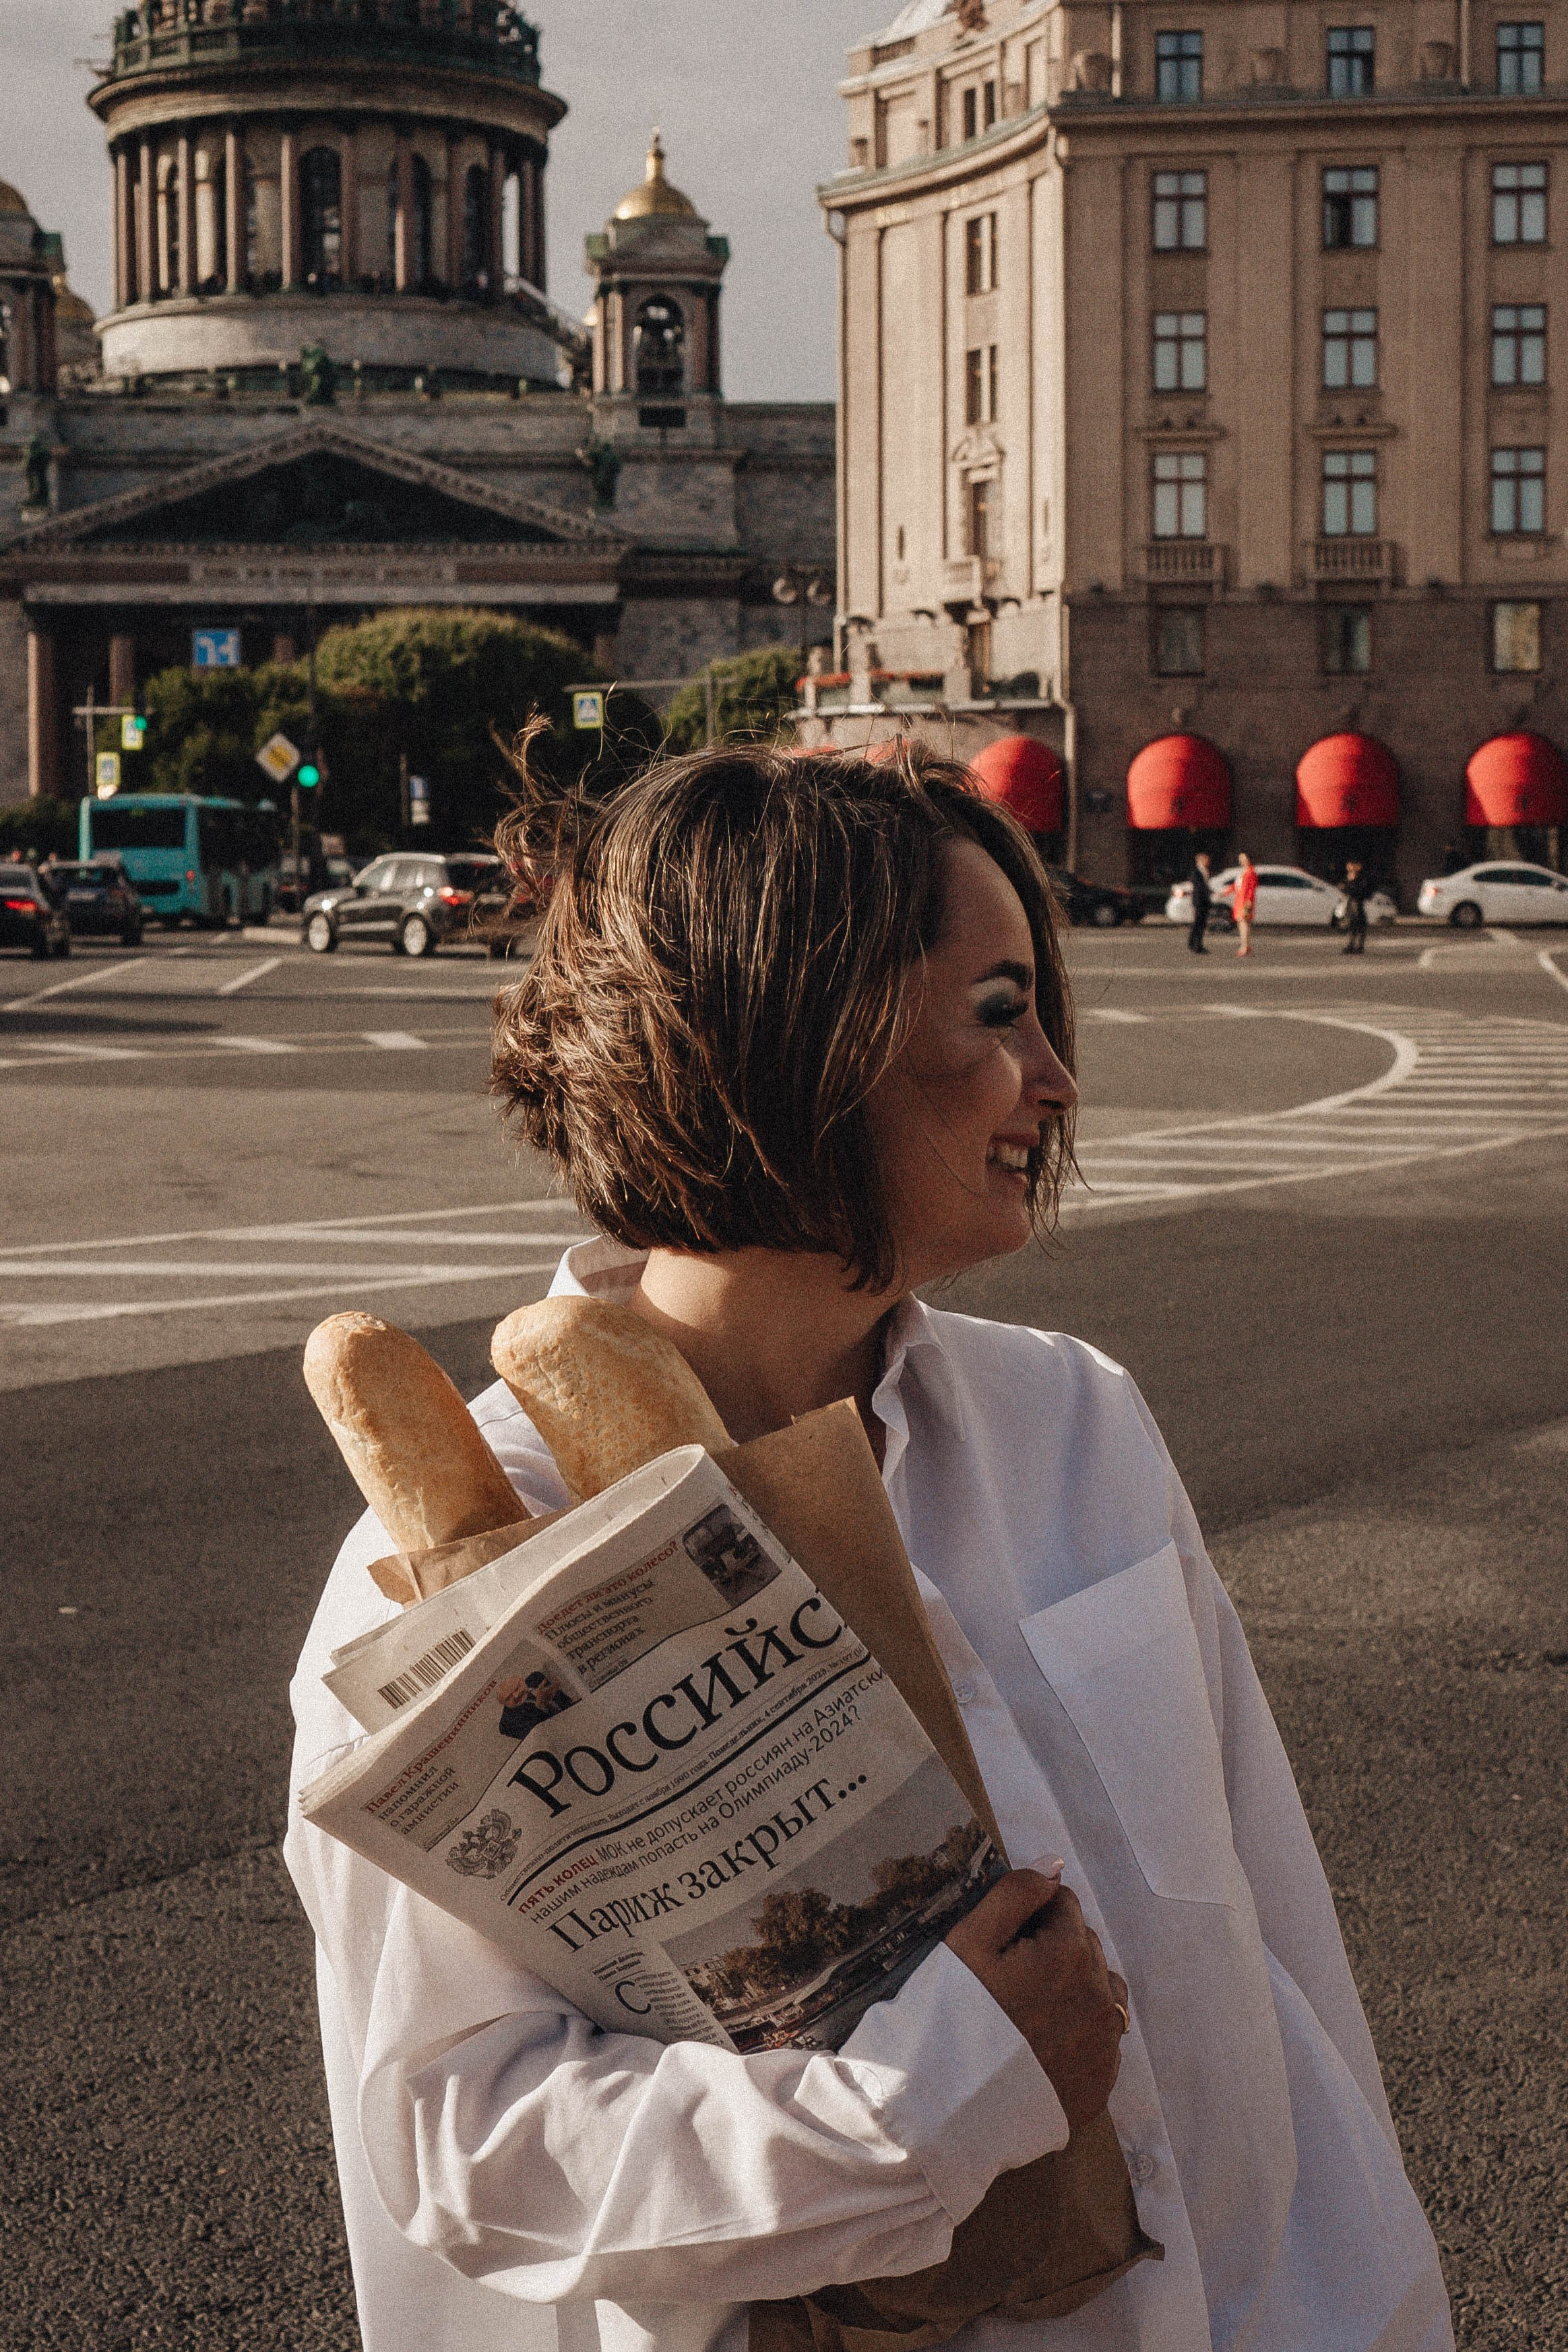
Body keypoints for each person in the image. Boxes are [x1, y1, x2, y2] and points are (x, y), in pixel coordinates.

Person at [285, 742, 1451, 2352]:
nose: (1054, 1076)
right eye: (992, 1012)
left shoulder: (1075, 1425)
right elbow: (467, 2143)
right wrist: (937, 2088)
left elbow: (1266, 1960)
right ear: (791, 1035)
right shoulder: (441, 1570)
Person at [1231, 849, 1257, 957]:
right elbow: (1236, 886)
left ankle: (1245, 946)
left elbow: (1251, 889)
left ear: (1249, 859)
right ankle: (1245, 945)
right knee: (1241, 924)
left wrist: (1249, 902)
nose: (1241, 860)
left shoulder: (1251, 872)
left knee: (1244, 924)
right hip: (1239, 901)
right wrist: (1224, 892)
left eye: (1244, 858)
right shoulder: (1243, 872)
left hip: (1245, 902)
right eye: (1240, 858)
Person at [1342, 859, 1370, 955]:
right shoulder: (1349, 877)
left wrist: (1351, 883)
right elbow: (1346, 890)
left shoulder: (1361, 878)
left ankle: (1359, 946)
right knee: (1351, 924)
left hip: (1358, 903)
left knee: (1359, 924)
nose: (1348, 867)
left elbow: (1361, 891)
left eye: (1351, 865)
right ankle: (1351, 945)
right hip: (1350, 902)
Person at [1186, 850, 1212, 954]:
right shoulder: (1196, 872)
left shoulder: (1206, 871)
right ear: (1200, 861)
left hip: (1205, 901)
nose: (1208, 861)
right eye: (1206, 859)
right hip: (1199, 901)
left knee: (1202, 924)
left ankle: (1198, 944)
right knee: (1197, 923)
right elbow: (1198, 886)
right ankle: (1193, 943)